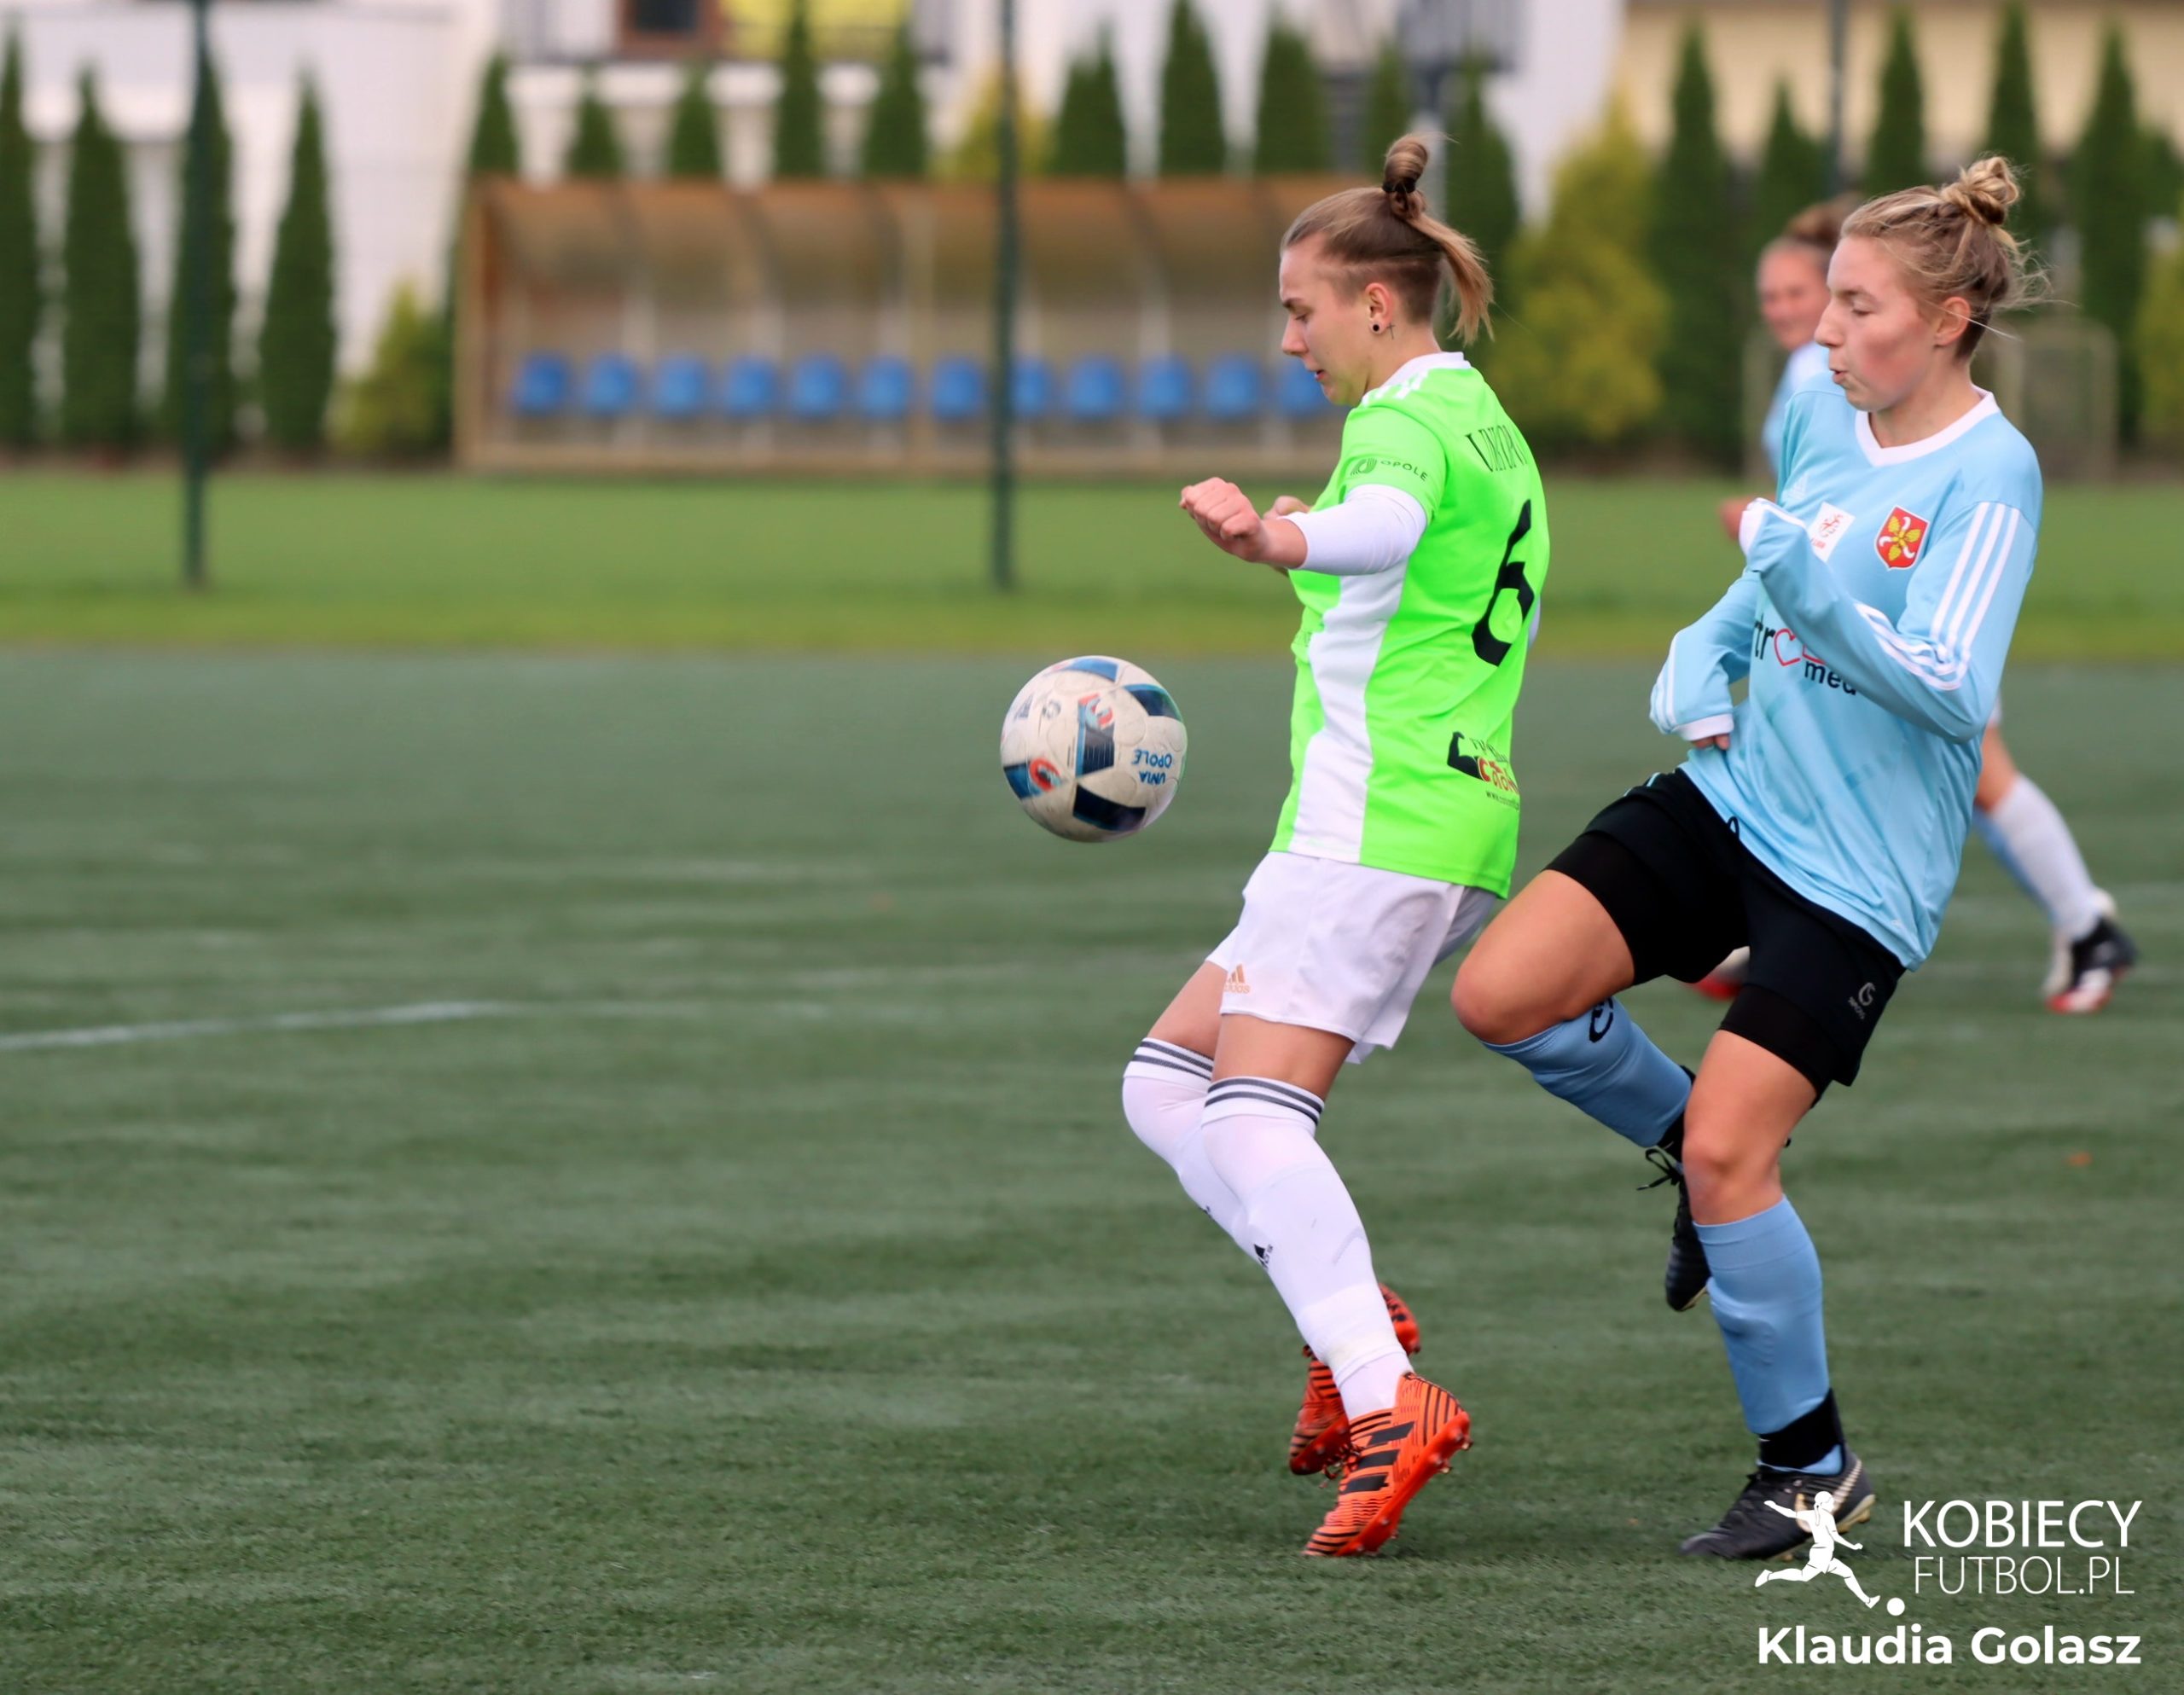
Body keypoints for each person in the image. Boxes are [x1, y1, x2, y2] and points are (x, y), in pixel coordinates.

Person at [1453, 158, 2041, 1558]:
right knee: (1501, 991)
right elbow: (1775, 571)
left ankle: (1809, 1467)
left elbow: (1950, 684)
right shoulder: (1828, 418)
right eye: (1827, 300)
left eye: (1858, 306)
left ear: (1949, 319)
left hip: (1857, 876)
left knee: (1739, 1154)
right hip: (1735, 798)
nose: (1825, 331)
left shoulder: (1992, 473)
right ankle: (1687, 1155)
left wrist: (1799, 588)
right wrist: (1706, 641)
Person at [1126, 133, 1548, 1558]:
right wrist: (1315, 533)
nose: (1289, 339)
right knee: (1164, 1080)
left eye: (1301, 310)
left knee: (1253, 1117)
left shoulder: (1400, 424)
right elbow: (1407, 544)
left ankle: (1385, 1395)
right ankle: (1348, 1319)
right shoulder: (1480, 416)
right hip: (1420, 812)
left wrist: (1279, 543)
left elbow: (1384, 522)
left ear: (1378, 302)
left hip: (1380, 818)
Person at [1701, 201, 2135, 1013]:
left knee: (1981, 778)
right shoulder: (1818, 377)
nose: (1792, 313)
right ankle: (1763, 924)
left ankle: (2085, 924)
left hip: (1901, 621)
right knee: (1801, 734)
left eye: (1806, 294)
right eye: (1773, 297)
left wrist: (1773, 534)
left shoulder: (1922, 420)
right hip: (1843, 618)